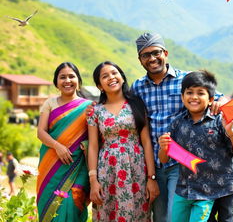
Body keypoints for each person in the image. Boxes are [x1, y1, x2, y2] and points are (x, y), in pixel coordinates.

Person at [130, 32, 225, 222]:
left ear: (165, 52)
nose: (152, 58)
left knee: (176, 215)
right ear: (140, 60)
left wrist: (222, 100)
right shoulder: (137, 87)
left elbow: (217, 97)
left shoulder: (186, 79)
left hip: (180, 161)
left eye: (156, 52)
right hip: (153, 163)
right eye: (145, 55)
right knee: (160, 217)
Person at [158, 70, 233, 222]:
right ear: (182, 96)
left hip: (226, 187)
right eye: (189, 92)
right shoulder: (177, 124)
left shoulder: (221, 119)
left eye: (200, 93)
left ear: (211, 99)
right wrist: (163, 147)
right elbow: (164, 159)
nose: (194, 97)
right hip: (199, 192)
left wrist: (230, 132)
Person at [87, 61, 159, 221]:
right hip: (107, 171)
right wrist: (93, 181)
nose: (111, 78)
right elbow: (93, 146)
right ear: (100, 86)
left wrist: (151, 178)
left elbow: (146, 142)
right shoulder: (95, 111)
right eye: (105, 76)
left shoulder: (137, 105)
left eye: (114, 73)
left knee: (137, 214)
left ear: (122, 77)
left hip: (136, 171)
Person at [37, 62, 91, 222]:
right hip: (50, 164)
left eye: (71, 76)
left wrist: (86, 144)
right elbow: (40, 132)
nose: (67, 80)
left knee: (73, 202)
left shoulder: (88, 106)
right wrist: (57, 146)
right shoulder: (50, 103)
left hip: (78, 165)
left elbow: (95, 137)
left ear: (78, 81)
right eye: (62, 77)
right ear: (56, 82)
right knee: (48, 206)